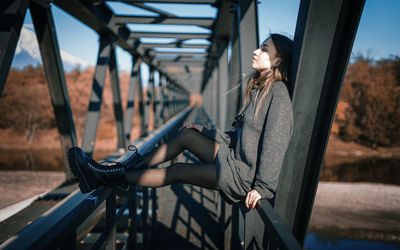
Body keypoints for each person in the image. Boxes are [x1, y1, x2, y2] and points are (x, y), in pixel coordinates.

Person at [67, 33, 294, 210]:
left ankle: (107, 176)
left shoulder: (279, 93)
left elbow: (275, 144)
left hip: (241, 176)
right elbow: (239, 137)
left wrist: (263, 188)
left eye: (264, 49)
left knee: (175, 171)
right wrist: (203, 130)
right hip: (233, 159)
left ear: (278, 60)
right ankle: (118, 169)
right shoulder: (260, 89)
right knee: (187, 135)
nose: (255, 51)